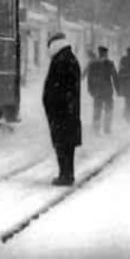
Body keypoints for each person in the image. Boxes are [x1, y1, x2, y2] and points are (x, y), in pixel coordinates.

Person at [42, 32, 82, 186]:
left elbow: (57, 88)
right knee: (66, 144)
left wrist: (53, 105)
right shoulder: (68, 58)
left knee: (62, 144)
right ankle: (67, 174)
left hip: (62, 112)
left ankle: (65, 175)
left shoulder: (61, 60)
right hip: (67, 111)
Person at [83, 46, 119, 134]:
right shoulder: (109, 63)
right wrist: (118, 89)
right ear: (106, 54)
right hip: (107, 90)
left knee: (97, 109)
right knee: (108, 109)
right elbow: (115, 77)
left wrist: (90, 89)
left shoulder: (92, 63)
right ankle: (107, 129)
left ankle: (96, 129)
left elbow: (86, 76)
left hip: (97, 90)